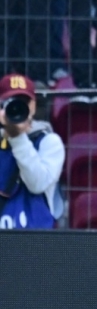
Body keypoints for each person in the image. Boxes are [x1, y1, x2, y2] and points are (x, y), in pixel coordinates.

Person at [0, 74, 64, 230]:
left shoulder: (49, 141)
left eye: (24, 102)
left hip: (34, 238)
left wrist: (17, 137)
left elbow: (37, 184)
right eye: (10, 102)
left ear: (33, 106)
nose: (16, 108)